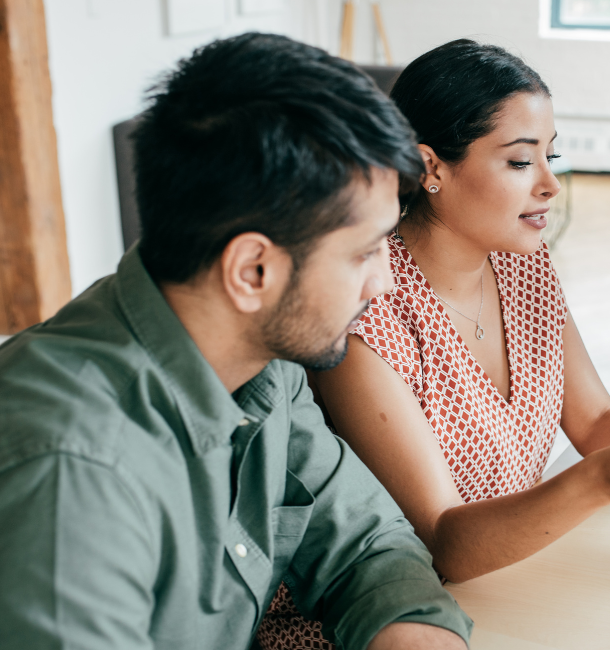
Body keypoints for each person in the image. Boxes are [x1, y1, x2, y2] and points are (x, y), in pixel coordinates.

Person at [258, 37, 610, 650]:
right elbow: (444, 539)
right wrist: (601, 480)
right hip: (374, 622)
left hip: (507, 581)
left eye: (553, 156)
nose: (551, 184)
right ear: (431, 169)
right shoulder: (365, 304)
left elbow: (596, 418)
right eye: (521, 162)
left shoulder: (523, 262)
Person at [0, 33, 472, 650]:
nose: (384, 282)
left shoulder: (264, 361)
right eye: (364, 252)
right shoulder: (72, 469)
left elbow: (367, 544)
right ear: (252, 271)